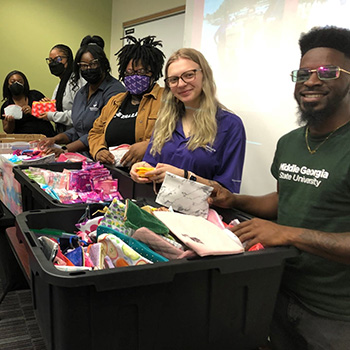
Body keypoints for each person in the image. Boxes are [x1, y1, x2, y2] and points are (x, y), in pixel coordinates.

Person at [209, 26, 350, 350]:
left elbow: (286, 226)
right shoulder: (290, 143)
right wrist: (235, 199)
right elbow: (285, 197)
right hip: (278, 290)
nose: (311, 81)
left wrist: (287, 234)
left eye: (327, 71)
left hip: (335, 316)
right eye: (303, 73)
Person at [130, 48, 246, 193]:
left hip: (201, 213)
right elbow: (151, 164)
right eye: (173, 79)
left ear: (205, 75)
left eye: (189, 75)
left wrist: (184, 177)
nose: (181, 84)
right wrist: (141, 169)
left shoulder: (230, 125)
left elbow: (227, 193)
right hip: (160, 210)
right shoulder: (165, 121)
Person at [38, 35, 125, 156]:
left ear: (103, 63)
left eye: (93, 64)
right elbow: (78, 130)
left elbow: (101, 132)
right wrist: (55, 140)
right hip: (79, 155)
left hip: (103, 157)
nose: (88, 68)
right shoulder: (82, 93)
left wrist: (65, 149)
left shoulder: (115, 91)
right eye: (83, 65)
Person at [88, 35, 165, 166]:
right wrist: (99, 150)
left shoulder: (167, 99)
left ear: (154, 72)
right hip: (111, 172)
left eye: (140, 72)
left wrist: (149, 146)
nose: (134, 77)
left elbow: (178, 136)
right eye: (129, 73)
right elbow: (96, 132)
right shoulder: (115, 101)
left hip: (146, 173)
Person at [38, 44, 85, 133]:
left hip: (78, 136)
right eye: (50, 60)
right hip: (63, 136)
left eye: (58, 59)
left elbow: (78, 115)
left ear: (69, 59)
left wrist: (51, 115)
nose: (53, 63)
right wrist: (50, 106)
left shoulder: (77, 82)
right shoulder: (60, 85)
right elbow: (59, 112)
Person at [1, 70, 56, 136]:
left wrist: (34, 111)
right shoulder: (6, 106)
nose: (16, 84)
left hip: (46, 137)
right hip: (24, 141)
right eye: (12, 82)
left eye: (20, 82)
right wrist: (11, 122)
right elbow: (8, 131)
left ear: (24, 83)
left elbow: (51, 114)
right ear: (7, 85)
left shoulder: (35, 95)